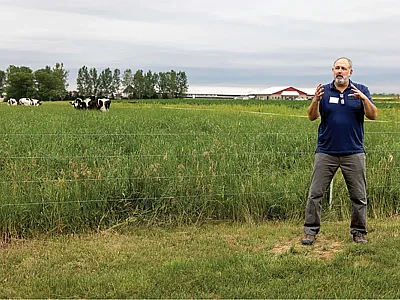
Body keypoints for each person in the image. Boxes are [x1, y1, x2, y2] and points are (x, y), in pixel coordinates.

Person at [302, 57, 378, 245]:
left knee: (359, 196)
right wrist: (315, 100)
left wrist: (363, 99)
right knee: (315, 194)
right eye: (337, 68)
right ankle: (310, 232)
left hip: (353, 152)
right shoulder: (324, 91)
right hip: (326, 152)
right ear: (332, 70)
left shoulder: (361, 90)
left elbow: (373, 115)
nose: (340, 71)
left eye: (343, 68)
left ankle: (359, 232)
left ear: (350, 72)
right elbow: (312, 117)